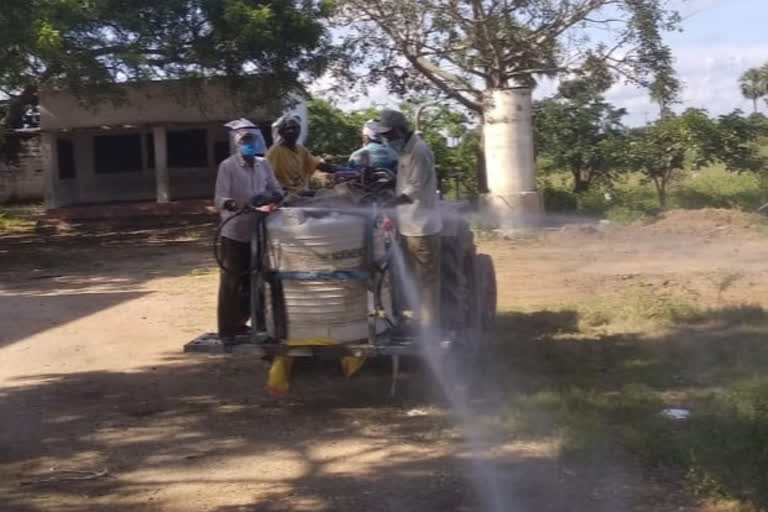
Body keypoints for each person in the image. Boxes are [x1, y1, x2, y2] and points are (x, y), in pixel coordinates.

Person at [372, 109, 443, 335]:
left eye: (390, 135)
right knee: (405, 276)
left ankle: (428, 328)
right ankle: (405, 319)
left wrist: (392, 202)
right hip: (407, 224)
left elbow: (414, 188)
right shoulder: (406, 150)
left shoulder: (419, 151)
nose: (387, 140)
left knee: (426, 281)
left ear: (401, 130)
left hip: (421, 227)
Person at [214, 118, 283, 343]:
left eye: (251, 140)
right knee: (232, 281)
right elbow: (219, 198)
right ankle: (228, 329)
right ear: (237, 143)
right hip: (234, 231)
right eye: (244, 141)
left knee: (257, 279)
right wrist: (234, 205)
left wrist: (270, 199)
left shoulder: (264, 164)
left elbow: (277, 191)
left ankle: (254, 323)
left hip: (260, 230)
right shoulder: (228, 166)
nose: (248, 144)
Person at [266, 115, 335, 195]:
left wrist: (344, 170)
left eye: (295, 128)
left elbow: (317, 165)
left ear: (299, 130)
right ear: (281, 132)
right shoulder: (274, 152)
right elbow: (267, 177)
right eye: (288, 128)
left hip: (303, 193)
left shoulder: (301, 150)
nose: (292, 131)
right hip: (285, 196)